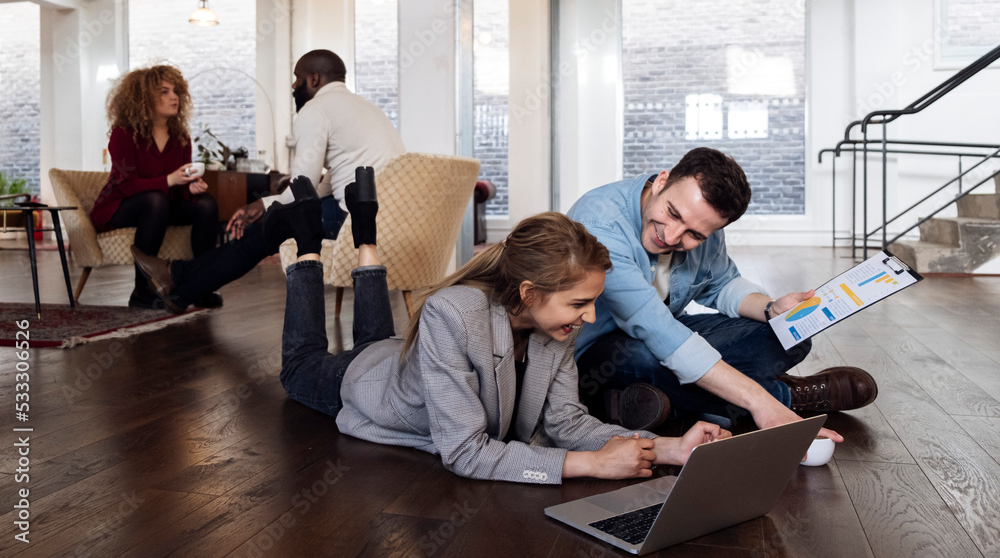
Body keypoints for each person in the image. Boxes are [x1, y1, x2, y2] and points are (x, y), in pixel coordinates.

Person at [275, 170, 730, 484]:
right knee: (298, 367)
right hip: (362, 379)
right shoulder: (452, 315)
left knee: (376, 337)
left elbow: (566, 422)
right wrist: (588, 465)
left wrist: (670, 448)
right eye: (580, 304)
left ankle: (366, 231)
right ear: (530, 293)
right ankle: (309, 245)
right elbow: (465, 452)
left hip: (404, 356)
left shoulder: (556, 329)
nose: (592, 317)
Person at [567, 147, 878, 438]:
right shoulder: (600, 223)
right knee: (648, 355)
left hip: (669, 331)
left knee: (788, 334)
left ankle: (652, 402)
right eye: (673, 214)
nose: (672, 236)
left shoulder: (705, 223)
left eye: (693, 234)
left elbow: (722, 283)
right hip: (598, 354)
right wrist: (762, 402)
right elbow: (656, 330)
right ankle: (787, 396)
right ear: (662, 182)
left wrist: (771, 309)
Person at [226, 49, 404, 241]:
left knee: (273, 225)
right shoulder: (367, 107)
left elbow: (302, 192)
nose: (293, 85)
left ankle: (210, 268)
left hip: (359, 222)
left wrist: (265, 210)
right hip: (394, 217)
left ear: (314, 79)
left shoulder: (315, 109)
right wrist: (262, 204)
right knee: (285, 213)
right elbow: (323, 189)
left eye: (297, 77)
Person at [90, 65, 220, 310]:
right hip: (119, 207)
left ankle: (201, 285)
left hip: (162, 205)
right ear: (144, 98)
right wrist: (170, 180)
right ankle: (142, 291)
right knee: (155, 199)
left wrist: (190, 186)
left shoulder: (180, 136)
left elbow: (177, 185)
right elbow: (127, 186)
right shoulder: (123, 133)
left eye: (176, 91)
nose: (174, 97)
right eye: (164, 92)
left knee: (206, 204)